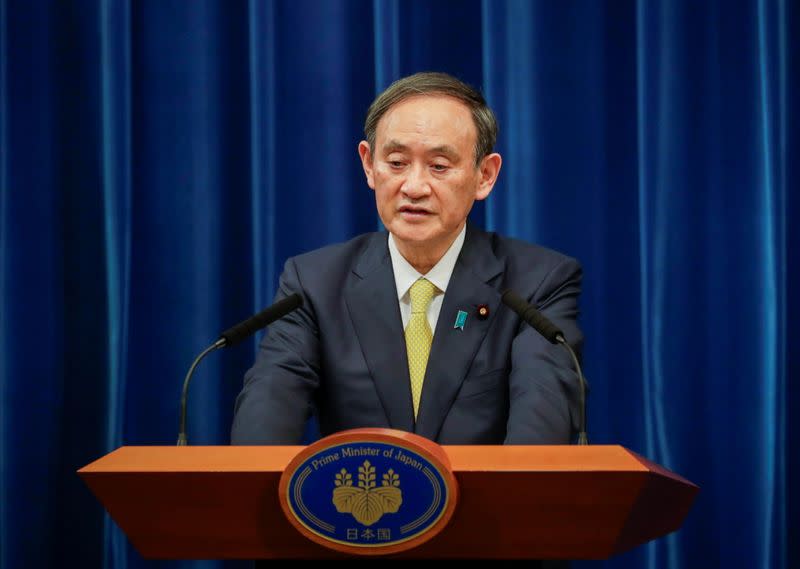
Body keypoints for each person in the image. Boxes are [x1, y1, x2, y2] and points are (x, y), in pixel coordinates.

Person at [231, 71, 583, 446]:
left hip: (491, 504)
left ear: (485, 175)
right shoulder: (314, 284)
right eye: (397, 163)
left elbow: (541, 434)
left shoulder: (537, 284)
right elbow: (267, 413)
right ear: (369, 165)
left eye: (439, 166)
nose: (414, 187)